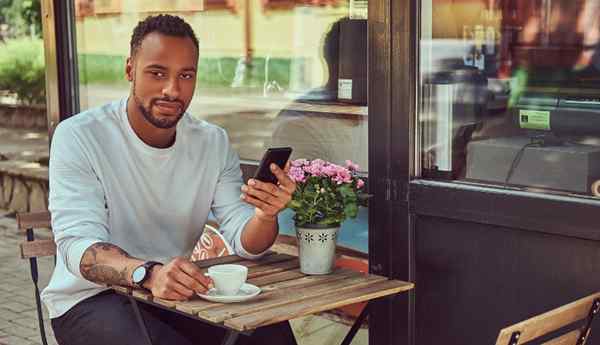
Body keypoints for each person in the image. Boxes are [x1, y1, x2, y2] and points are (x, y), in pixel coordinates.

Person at [44, 14, 297, 345]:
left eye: (186, 75)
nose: (172, 90)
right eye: (157, 73)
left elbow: (245, 241)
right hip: (89, 300)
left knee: (269, 334)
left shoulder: (212, 142)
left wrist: (265, 215)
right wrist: (148, 274)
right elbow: (79, 249)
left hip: (172, 293)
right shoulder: (79, 136)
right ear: (130, 70)